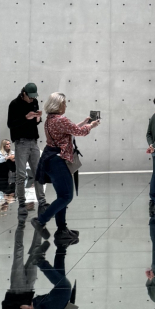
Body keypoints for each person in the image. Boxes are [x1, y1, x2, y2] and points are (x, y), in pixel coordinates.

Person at [34, 92, 95, 243]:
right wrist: (91, 125)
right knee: (67, 196)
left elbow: (70, 129)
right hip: (58, 161)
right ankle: (41, 220)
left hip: (50, 158)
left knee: (62, 196)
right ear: (58, 105)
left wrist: (83, 122)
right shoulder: (61, 119)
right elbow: (78, 132)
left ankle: (62, 230)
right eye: (64, 103)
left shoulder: (50, 119)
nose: (66, 105)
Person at [8, 82, 42, 203]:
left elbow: (36, 123)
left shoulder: (34, 102)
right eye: (30, 97)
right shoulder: (14, 104)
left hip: (33, 141)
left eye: (34, 97)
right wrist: (25, 118)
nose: (32, 99)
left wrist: (38, 118)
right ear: (24, 94)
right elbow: (10, 124)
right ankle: (21, 201)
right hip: (21, 142)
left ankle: (42, 201)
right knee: (21, 175)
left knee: (38, 173)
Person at [0, 137, 15, 209]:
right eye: (7, 144)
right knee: (7, 161)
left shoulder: (12, 152)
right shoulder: (0, 153)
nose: (9, 145)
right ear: (4, 146)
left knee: (12, 160)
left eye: (9, 144)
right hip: (3, 171)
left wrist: (12, 158)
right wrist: (7, 158)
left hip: (11, 168)